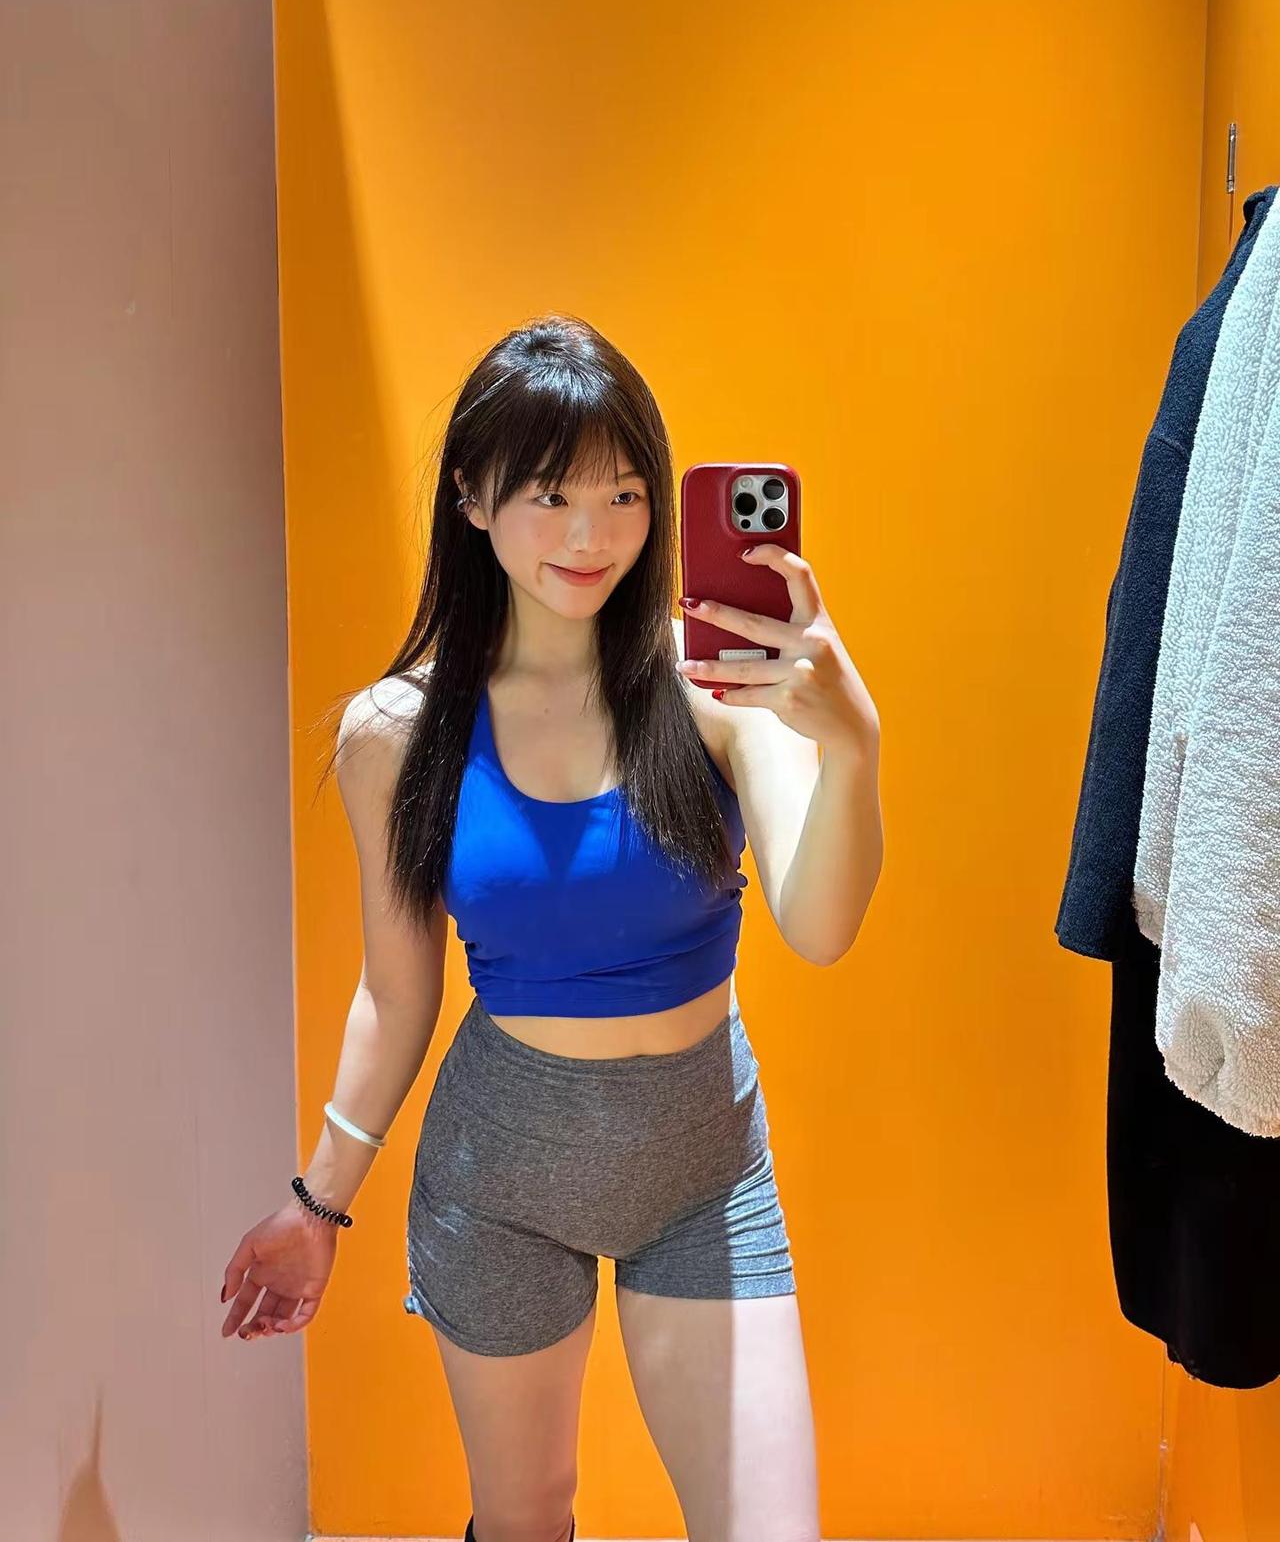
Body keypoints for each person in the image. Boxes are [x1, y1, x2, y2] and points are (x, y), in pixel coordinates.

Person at [218, 315, 884, 1542]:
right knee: (524, 1520)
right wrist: (315, 1204)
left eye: (624, 494)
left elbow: (819, 922)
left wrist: (851, 746)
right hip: (499, 1175)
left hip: (702, 1166)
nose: (592, 536)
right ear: (471, 498)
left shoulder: (716, 693)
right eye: (550, 496)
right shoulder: (395, 731)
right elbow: (396, 990)